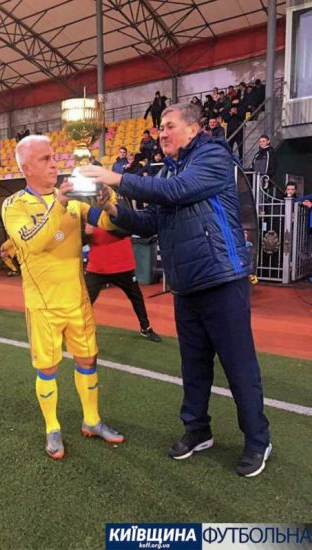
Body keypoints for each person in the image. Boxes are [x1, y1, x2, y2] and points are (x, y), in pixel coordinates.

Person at [80, 102, 271, 478]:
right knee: (193, 366)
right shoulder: (169, 170)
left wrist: (116, 178)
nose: (162, 133)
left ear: (194, 129)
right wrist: (113, 209)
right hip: (186, 285)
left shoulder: (213, 156)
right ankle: (197, 430)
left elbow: (179, 190)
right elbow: (149, 222)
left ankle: (257, 440)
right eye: (160, 127)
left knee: (238, 367)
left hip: (221, 279)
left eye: (169, 126)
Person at [1, 135, 124, 460]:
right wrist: (59, 204)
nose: (54, 163)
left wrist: (108, 201)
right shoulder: (14, 205)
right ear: (26, 168)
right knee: (48, 368)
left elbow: (108, 223)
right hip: (43, 305)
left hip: (77, 300)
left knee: (87, 360)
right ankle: (52, 427)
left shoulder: (75, 200)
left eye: (53, 157)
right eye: (45, 159)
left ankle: (92, 420)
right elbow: (34, 242)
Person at [84, 223, 161, 342]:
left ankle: (145, 328)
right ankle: (78, 329)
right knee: (84, 301)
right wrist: (85, 234)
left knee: (136, 297)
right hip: (97, 267)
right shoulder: (88, 215)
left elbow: (126, 230)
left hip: (123, 266)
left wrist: (104, 223)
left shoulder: (118, 213)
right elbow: (81, 242)